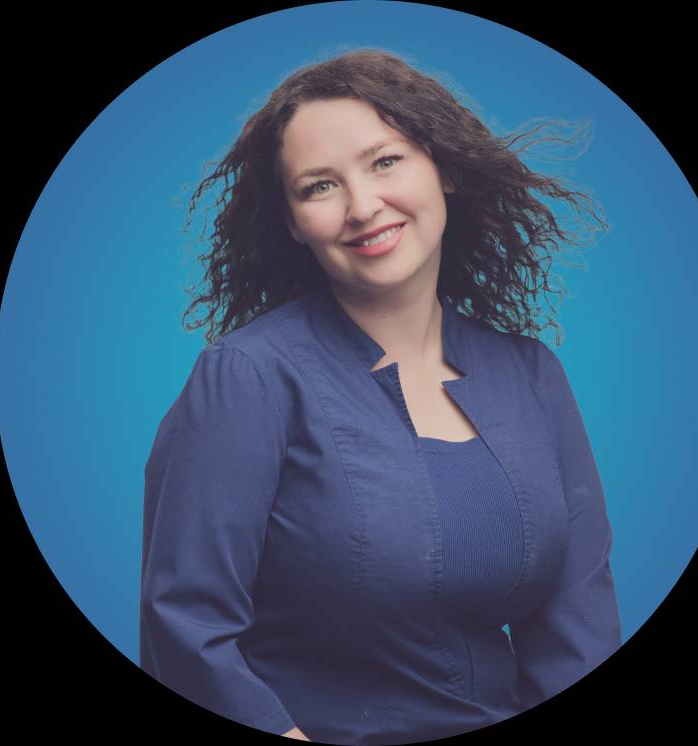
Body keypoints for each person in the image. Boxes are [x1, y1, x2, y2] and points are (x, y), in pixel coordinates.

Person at [139, 49, 622, 745]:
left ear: (444, 168)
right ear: (293, 221)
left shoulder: (532, 375)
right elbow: (187, 629)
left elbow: (579, 631)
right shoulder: (246, 377)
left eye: (386, 162)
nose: (363, 207)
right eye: (320, 186)